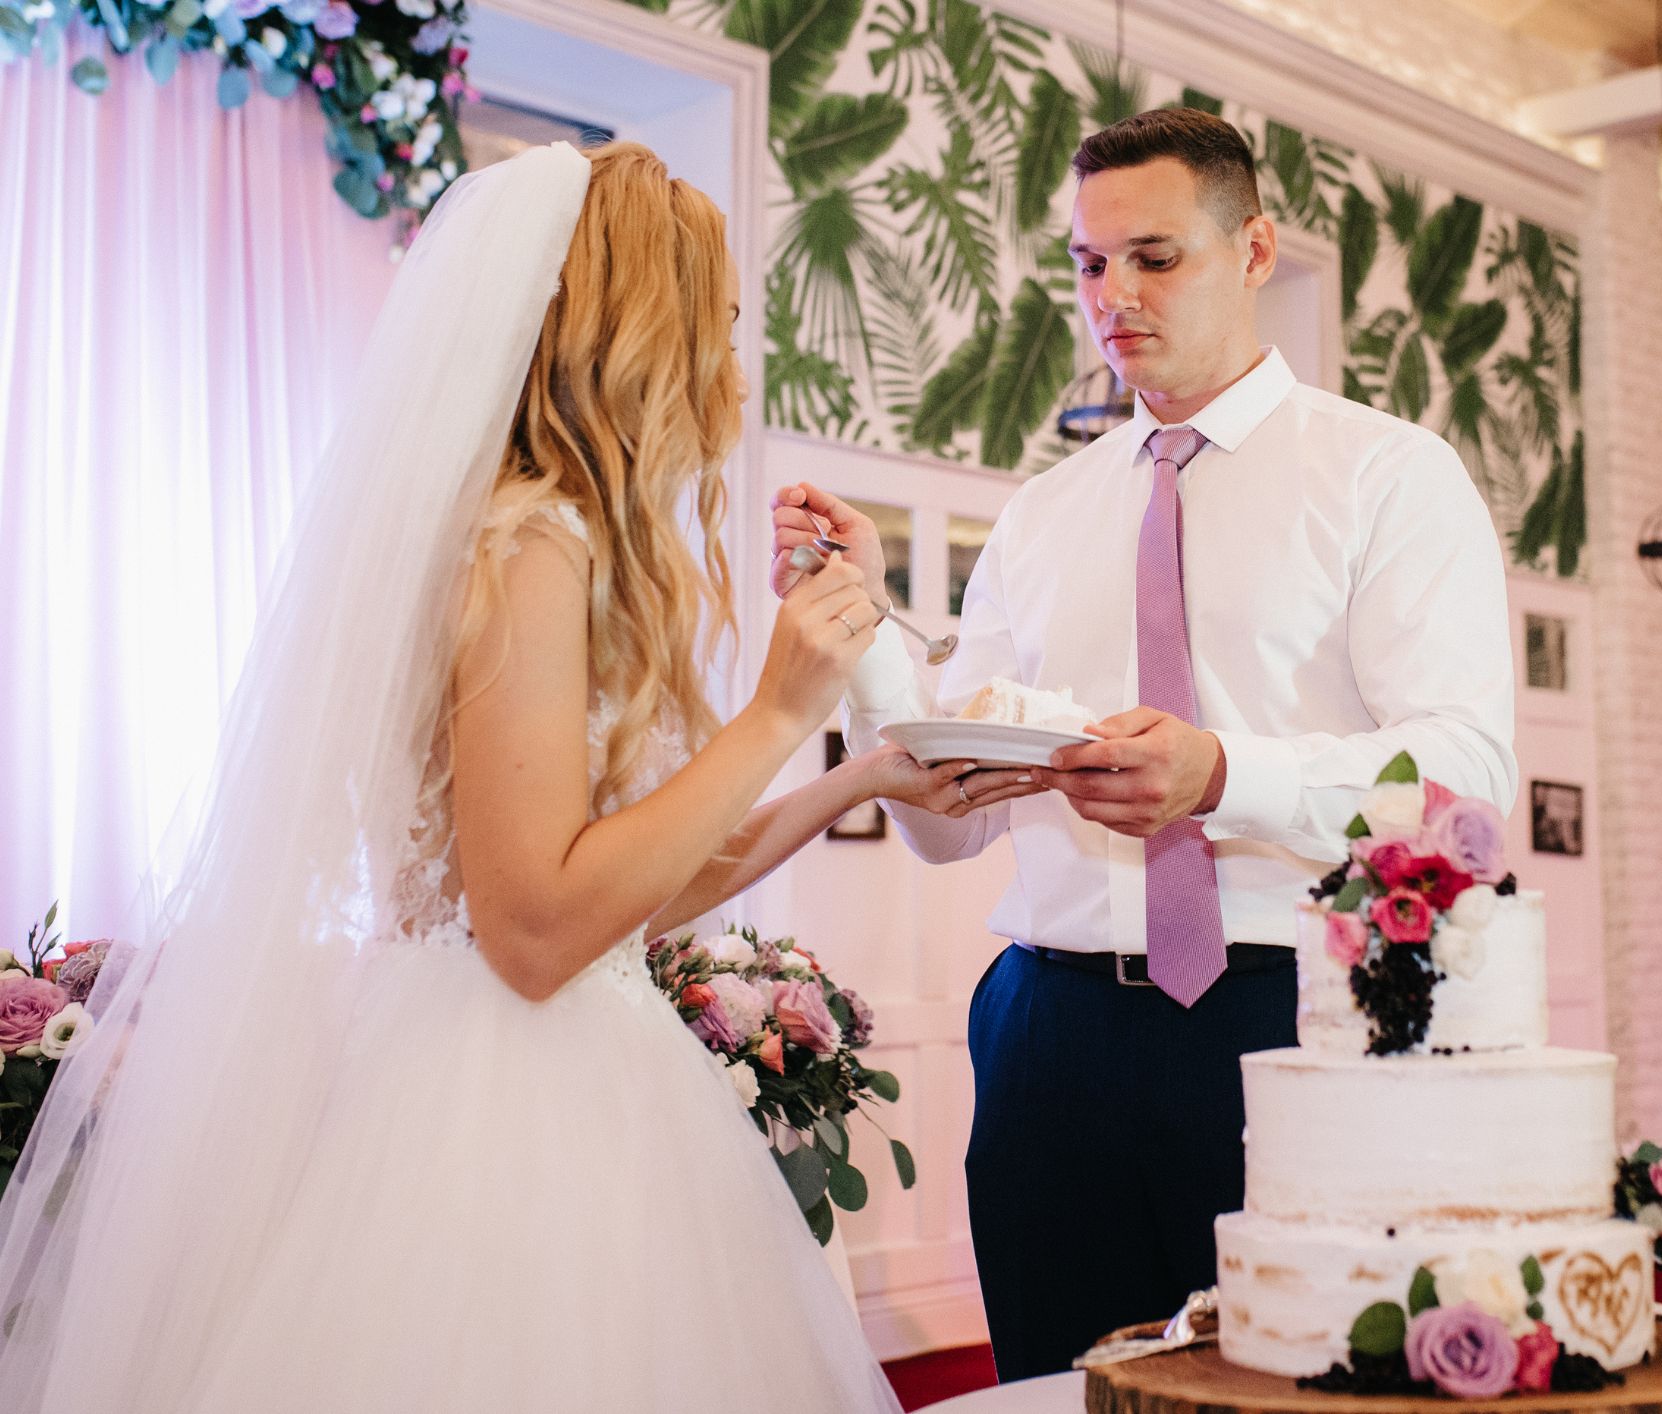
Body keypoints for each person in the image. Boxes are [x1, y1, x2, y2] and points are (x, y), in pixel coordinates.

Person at [0, 142, 970, 1410]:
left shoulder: (540, 540)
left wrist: (856, 780)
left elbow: (618, 885)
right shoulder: (529, 545)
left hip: (528, 1051)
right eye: (719, 329)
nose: (735, 372)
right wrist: (782, 710)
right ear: (639, 332)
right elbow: (533, 929)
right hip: (507, 1112)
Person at [770, 107, 1517, 1380]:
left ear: (1254, 250)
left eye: (1153, 256)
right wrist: (865, 635)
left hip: (1289, 1017)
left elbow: (1471, 780)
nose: (1112, 294)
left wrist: (1224, 774)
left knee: (1300, 1391)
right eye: (1088, 262)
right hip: (1044, 1032)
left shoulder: (1386, 475)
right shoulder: (1043, 513)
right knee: (1058, 1386)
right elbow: (951, 823)